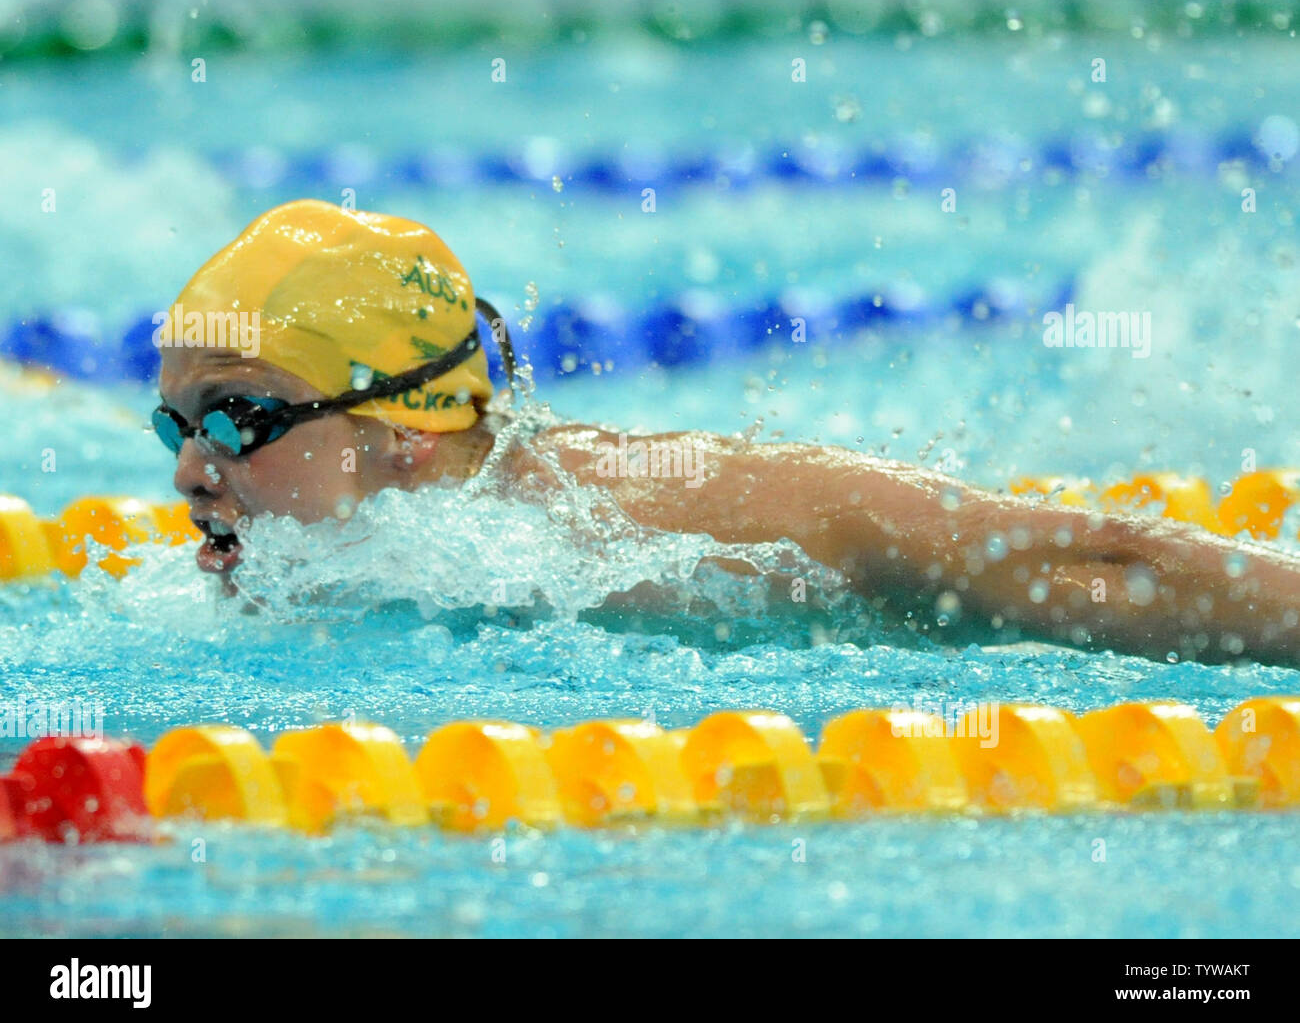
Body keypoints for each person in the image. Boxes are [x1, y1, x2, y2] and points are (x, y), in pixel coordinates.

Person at [155, 200, 1300, 666]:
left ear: (402, 426)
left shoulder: (646, 510)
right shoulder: (321, 571)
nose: (191, 472)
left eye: (238, 417)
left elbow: (1067, 559)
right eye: (174, 426)